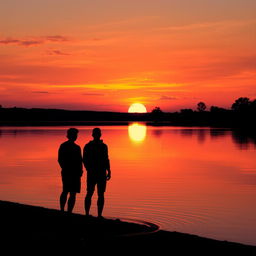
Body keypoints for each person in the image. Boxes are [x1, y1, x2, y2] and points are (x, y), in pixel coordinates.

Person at [83, 128, 111, 218]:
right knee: (90, 193)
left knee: (100, 194)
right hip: (93, 172)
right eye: (96, 134)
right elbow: (85, 160)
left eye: (98, 134)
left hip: (101, 172)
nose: (97, 135)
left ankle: (99, 215)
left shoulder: (104, 146)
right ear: (93, 135)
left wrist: (109, 170)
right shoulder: (88, 146)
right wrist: (88, 169)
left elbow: (106, 159)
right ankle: (87, 214)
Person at [58, 128, 83, 213]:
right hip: (68, 172)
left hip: (75, 173)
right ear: (70, 135)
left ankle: (69, 211)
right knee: (66, 191)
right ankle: (62, 210)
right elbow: (60, 159)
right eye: (74, 135)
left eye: (76, 135)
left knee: (72, 193)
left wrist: (80, 170)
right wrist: (65, 168)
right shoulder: (64, 146)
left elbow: (80, 160)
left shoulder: (77, 147)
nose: (76, 136)